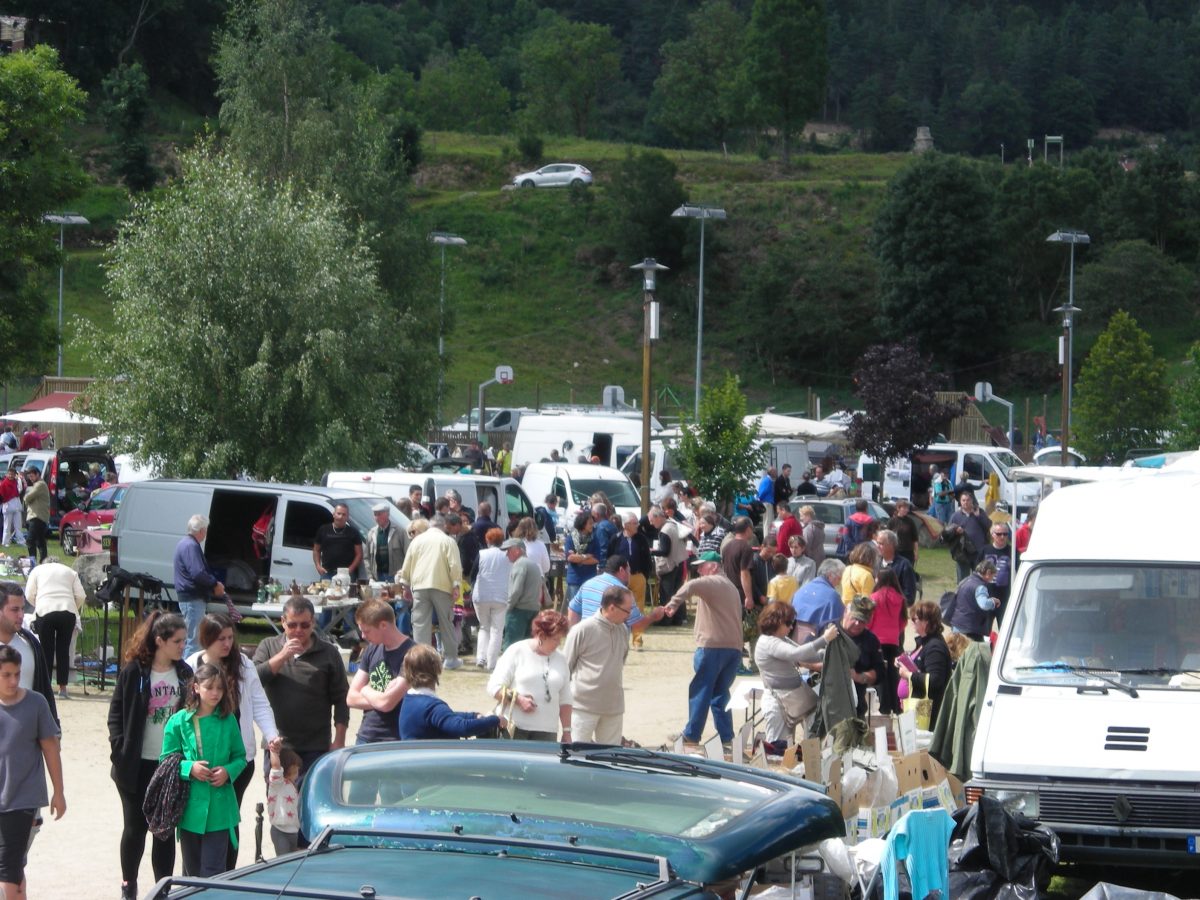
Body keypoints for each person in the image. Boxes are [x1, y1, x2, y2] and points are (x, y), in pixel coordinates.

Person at [185, 613, 280, 871]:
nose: (227, 644)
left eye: (230, 637)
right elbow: (183, 713)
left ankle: (226, 876)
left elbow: (259, 703)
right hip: (201, 761)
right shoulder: (192, 664)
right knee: (197, 819)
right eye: (220, 639)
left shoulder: (244, 665)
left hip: (238, 759)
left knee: (228, 818)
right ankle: (194, 877)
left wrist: (271, 735)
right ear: (206, 639)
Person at [108, 611, 191, 900]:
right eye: (178, 641)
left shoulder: (184, 674)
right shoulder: (135, 671)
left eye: (185, 640)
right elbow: (116, 714)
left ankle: (162, 888)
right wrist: (119, 749)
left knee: (164, 832)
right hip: (135, 764)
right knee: (135, 828)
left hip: (168, 764)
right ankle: (128, 884)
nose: (183, 646)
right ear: (160, 641)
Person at [161, 663, 246, 877]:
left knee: (214, 872)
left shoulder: (228, 721)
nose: (216, 693)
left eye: (220, 688)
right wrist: (189, 768)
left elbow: (240, 757)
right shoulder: (177, 721)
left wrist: (228, 772)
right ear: (196, 688)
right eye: (210, 687)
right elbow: (166, 761)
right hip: (189, 810)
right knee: (192, 873)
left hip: (220, 810)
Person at [252, 596, 349, 781]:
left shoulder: (329, 653)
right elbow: (254, 680)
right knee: (279, 806)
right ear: (282, 622)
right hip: (277, 745)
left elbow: (342, 698)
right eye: (292, 625)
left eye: (304, 625)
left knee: (309, 804)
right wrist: (282, 656)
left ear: (313, 622)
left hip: (315, 747)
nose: (298, 631)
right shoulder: (269, 646)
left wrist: (339, 740)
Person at [0, 644, 66, 900]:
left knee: (9, 868)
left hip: (23, 799)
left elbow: (51, 749)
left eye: (17, 673)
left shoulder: (36, 703)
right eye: (6, 675)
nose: (13, 680)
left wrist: (58, 792)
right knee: (13, 867)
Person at [667, 551, 742, 751]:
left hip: (712, 646)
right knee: (720, 694)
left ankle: (691, 735)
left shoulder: (712, 582)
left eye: (702, 566)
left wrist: (673, 604)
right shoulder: (731, 587)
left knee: (701, 690)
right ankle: (727, 737)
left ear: (714, 567)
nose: (699, 570)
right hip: (733, 648)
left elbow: (691, 585)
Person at [754, 603, 837, 754]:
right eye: (788, 623)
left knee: (801, 746)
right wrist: (824, 639)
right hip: (778, 705)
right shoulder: (767, 642)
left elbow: (808, 655)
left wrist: (830, 652)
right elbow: (796, 654)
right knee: (778, 751)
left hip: (793, 700)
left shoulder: (781, 639)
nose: (791, 627)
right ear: (776, 621)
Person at [563, 584, 637, 744]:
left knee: (609, 758)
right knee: (576, 756)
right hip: (582, 707)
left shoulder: (623, 631)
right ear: (611, 607)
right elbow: (565, 667)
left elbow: (620, 662)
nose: (629, 615)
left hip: (613, 707)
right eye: (627, 610)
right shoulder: (582, 630)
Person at [488, 610, 573, 742]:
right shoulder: (516, 651)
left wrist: (567, 731)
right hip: (513, 729)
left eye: (560, 639)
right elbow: (493, 688)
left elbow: (565, 699)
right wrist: (518, 699)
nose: (558, 643)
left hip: (547, 733)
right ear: (541, 635)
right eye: (555, 639)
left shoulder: (561, 659)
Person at [397, 514, 464, 670]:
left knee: (420, 624)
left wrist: (405, 586)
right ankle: (451, 658)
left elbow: (407, 564)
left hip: (419, 586)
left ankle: (422, 660)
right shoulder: (448, 541)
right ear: (444, 526)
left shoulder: (417, 541)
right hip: (442, 586)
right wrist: (456, 586)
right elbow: (454, 565)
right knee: (446, 622)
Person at [398, 643, 503, 740]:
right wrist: (494, 720)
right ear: (437, 669)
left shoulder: (409, 699)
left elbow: (446, 717)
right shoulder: (432, 706)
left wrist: (473, 716)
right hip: (432, 759)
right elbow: (462, 728)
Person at [346, 598, 413, 743]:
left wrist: (365, 690)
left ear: (383, 625)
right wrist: (382, 699)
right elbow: (350, 698)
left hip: (395, 739)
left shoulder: (413, 654)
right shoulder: (372, 649)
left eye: (366, 631)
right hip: (365, 736)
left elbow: (387, 703)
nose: (363, 636)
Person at [25, 555, 85, 700]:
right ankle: (63, 688)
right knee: (63, 650)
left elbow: (28, 594)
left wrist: (38, 603)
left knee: (46, 649)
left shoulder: (37, 570)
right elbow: (81, 595)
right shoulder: (70, 571)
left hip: (45, 610)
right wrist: (73, 608)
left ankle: (45, 687)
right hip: (67, 611)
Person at [0, 583, 59, 723]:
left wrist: (53, 728)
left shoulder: (31, 645)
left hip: (26, 732)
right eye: (14, 610)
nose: (21, 615)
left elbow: (45, 690)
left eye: (22, 609)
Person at [173, 514, 227, 657]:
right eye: (206, 530)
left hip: (189, 598)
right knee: (194, 641)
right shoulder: (191, 546)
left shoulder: (185, 543)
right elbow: (197, 573)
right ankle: (188, 676)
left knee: (193, 638)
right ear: (202, 530)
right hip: (192, 598)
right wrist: (214, 584)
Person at [897, 601, 951, 725]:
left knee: (922, 743)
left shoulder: (935, 647)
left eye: (914, 619)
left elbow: (935, 680)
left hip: (926, 710)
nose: (911, 622)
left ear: (926, 621)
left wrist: (908, 675)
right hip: (916, 706)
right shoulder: (925, 642)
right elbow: (919, 668)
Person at [837, 596, 886, 717]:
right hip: (828, 706)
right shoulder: (828, 632)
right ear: (845, 612)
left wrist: (859, 677)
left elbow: (880, 672)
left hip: (856, 707)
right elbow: (806, 661)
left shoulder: (870, 640)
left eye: (863, 621)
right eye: (855, 618)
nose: (858, 623)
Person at [608, 512, 652, 643]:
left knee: (638, 609)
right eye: (634, 523)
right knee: (617, 606)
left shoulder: (641, 538)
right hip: (619, 579)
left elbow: (647, 559)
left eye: (637, 522)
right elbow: (610, 558)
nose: (637, 525)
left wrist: (644, 575)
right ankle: (616, 638)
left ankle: (637, 639)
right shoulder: (615, 538)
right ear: (625, 525)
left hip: (638, 576)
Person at [868, 568, 907, 715]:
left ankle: (884, 706)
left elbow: (869, 621)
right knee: (893, 673)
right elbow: (903, 621)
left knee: (881, 674)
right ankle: (896, 706)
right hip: (893, 640)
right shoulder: (900, 598)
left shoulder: (874, 597)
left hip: (877, 640)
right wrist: (896, 631)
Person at [472, 528, 511, 670]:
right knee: (497, 630)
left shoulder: (481, 554)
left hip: (481, 594)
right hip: (501, 595)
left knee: (484, 627)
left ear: (487, 540)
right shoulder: (507, 555)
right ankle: (492, 662)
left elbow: (473, 573)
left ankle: (480, 658)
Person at [502, 539, 545, 651]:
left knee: (511, 647)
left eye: (508, 550)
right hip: (533, 609)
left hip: (519, 611)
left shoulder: (520, 564)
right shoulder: (533, 565)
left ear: (517, 550)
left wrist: (509, 607)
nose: (507, 554)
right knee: (528, 648)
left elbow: (516, 590)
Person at [651, 505, 690, 625]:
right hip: (679, 562)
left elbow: (665, 551)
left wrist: (651, 551)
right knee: (678, 593)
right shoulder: (674, 525)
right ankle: (680, 618)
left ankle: (666, 620)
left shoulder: (664, 531)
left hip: (670, 566)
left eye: (652, 520)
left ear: (658, 517)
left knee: (667, 595)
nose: (652, 524)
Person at [944, 560, 1000, 642]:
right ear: (988, 573)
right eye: (993, 576)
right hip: (970, 629)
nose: (992, 579)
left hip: (957, 625)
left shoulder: (965, 581)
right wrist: (993, 602)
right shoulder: (980, 587)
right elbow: (984, 604)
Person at [791, 559, 846, 640]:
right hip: (817, 642)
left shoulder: (802, 589)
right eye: (839, 578)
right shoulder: (833, 596)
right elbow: (839, 623)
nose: (839, 583)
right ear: (830, 575)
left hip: (793, 638)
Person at [266, 746, 302, 857]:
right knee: (283, 862)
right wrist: (274, 751)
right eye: (295, 770)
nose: (297, 774)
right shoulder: (278, 784)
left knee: (291, 862)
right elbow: (276, 767)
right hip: (280, 831)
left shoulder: (292, 785)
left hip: (293, 831)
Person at [312, 502, 363, 581]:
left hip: (346, 575)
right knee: (327, 593)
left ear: (347, 517)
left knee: (346, 594)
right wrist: (318, 566)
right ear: (333, 514)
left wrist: (350, 570)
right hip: (327, 573)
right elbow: (316, 550)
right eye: (338, 513)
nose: (340, 517)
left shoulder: (353, 532)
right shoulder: (323, 530)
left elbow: (359, 554)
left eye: (344, 514)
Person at [947, 491, 991, 581]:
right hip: (962, 553)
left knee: (979, 579)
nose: (965, 502)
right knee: (963, 580)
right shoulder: (956, 516)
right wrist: (955, 531)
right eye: (963, 500)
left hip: (978, 552)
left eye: (968, 500)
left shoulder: (980, 512)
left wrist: (978, 516)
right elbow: (947, 532)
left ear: (972, 501)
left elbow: (989, 526)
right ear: (960, 502)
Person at [364, 502, 407, 584]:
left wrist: (403, 574)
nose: (377, 517)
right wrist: (370, 577)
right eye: (375, 515)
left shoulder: (399, 531)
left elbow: (408, 554)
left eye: (379, 514)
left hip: (395, 577)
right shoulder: (372, 533)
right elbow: (366, 558)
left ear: (387, 514)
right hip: (377, 577)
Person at [563, 511, 598, 606]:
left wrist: (579, 559)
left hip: (590, 579)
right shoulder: (571, 538)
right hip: (575, 579)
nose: (592, 525)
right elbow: (570, 558)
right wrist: (586, 556)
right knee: (575, 608)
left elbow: (596, 559)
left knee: (588, 608)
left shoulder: (594, 538)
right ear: (583, 524)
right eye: (590, 523)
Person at [981, 523, 1013, 624]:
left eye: (1005, 534)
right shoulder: (985, 550)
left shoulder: (1012, 551)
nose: (1002, 537)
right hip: (987, 595)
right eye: (999, 534)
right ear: (992, 534)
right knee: (985, 629)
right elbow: (977, 572)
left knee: (1005, 626)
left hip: (1005, 597)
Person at [875, 529, 917, 606]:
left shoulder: (904, 565)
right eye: (877, 543)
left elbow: (909, 597)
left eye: (881, 544)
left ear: (891, 545)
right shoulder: (876, 563)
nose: (877, 546)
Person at [22, 467, 50, 562]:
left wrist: (26, 498)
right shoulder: (37, 484)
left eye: (32, 476)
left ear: (38, 474)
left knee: (30, 540)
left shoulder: (40, 484)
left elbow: (27, 498)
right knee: (40, 542)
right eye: (29, 477)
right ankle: (43, 562)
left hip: (37, 516)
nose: (31, 478)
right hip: (37, 516)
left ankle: (32, 562)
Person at [840, 541, 878, 606]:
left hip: (845, 609)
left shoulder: (847, 569)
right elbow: (868, 602)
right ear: (872, 559)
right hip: (858, 612)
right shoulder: (867, 575)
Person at [888, 498, 920, 566]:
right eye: (904, 508)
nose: (906, 510)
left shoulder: (910, 521)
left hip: (908, 552)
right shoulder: (892, 521)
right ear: (898, 508)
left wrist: (916, 552)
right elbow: (887, 538)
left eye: (907, 508)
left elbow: (915, 539)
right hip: (896, 551)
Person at [1, 468, 24, 548]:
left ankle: (21, 541)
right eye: (9, 474)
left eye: (12, 474)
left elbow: (20, 490)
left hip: (16, 505)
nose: (11, 476)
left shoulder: (16, 482)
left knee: (18, 525)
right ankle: (5, 542)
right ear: (7, 474)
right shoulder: (3, 484)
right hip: (8, 506)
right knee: (7, 525)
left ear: (15, 475)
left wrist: (20, 479)